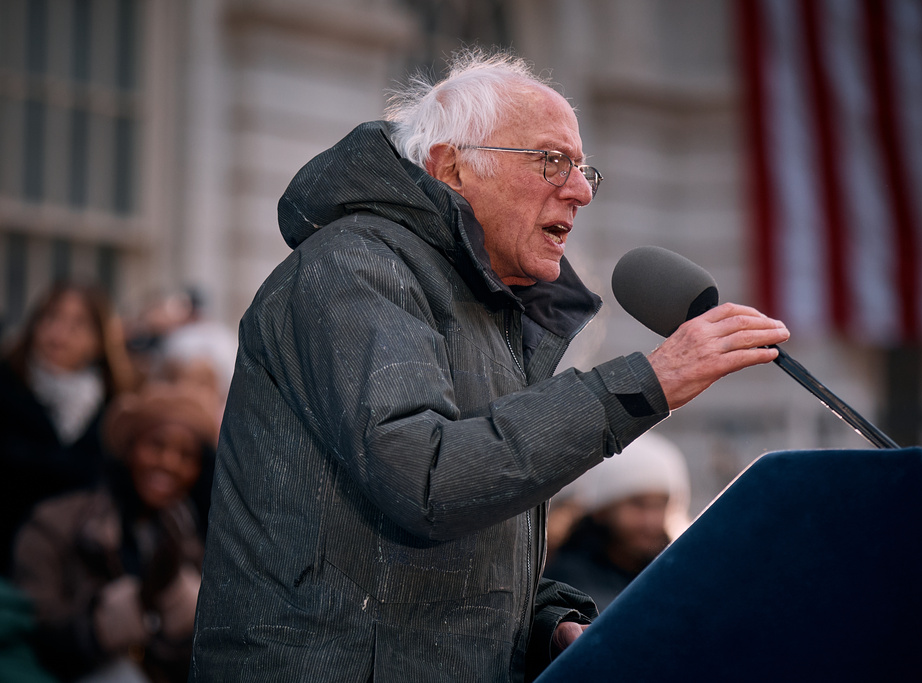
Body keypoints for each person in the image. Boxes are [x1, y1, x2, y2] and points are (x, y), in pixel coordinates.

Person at [190, 48, 789, 682]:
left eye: (584, 168)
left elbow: (444, 544)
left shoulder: (489, 302)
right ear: (451, 167)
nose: (581, 189)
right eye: (551, 161)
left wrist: (543, 623)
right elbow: (426, 482)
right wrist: (647, 384)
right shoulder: (353, 268)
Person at [12, 382, 220, 683]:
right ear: (129, 449)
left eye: (187, 456)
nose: (169, 463)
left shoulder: (187, 540)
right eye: (156, 446)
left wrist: (185, 628)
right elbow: (29, 623)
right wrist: (98, 624)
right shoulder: (54, 523)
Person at [0, 283, 137, 577]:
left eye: (78, 324)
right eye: (51, 318)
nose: (59, 333)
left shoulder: (118, 410)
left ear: (100, 340)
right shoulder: (6, 387)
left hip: (79, 576)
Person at [543, 431, 690, 612]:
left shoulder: (675, 576)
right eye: (638, 504)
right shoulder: (566, 582)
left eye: (660, 505)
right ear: (602, 510)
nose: (650, 521)